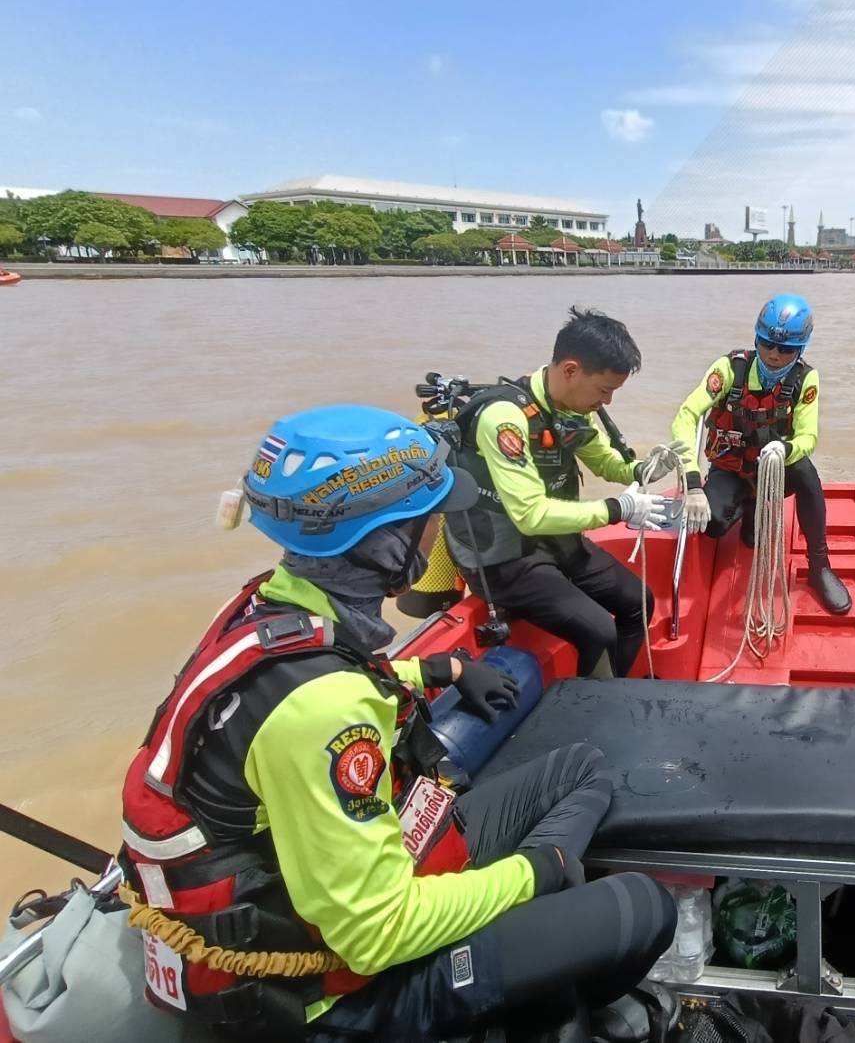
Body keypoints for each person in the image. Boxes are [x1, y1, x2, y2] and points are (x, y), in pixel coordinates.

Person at [119, 404, 674, 1040]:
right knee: (642, 907)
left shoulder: (265, 605)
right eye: (430, 516)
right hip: (338, 993)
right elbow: (376, 934)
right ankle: (536, 974)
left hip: (371, 879)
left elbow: (337, 676)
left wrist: (440, 669)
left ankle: (522, 930)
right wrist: (534, 873)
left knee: (581, 769)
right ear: (385, 541)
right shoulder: (326, 711)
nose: (441, 528)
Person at [443, 307, 686, 679]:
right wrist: (618, 508)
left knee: (638, 601)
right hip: (504, 558)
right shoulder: (505, 419)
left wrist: (643, 469)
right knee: (599, 631)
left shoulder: (572, 409)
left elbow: (604, 461)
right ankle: (592, 707)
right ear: (571, 370)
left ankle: (613, 688)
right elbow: (531, 515)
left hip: (555, 541)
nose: (607, 402)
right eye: (604, 390)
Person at [671, 292, 852, 614]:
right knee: (711, 524)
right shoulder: (729, 369)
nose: (774, 355)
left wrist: (785, 448)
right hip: (730, 467)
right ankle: (748, 507)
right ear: (756, 338)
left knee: (807, 474)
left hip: (773, 467)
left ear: (800, 350)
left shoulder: (805, 379)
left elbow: (808, 436)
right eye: (767, 344)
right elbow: (687, 415)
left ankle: (820, 566)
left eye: (786, 349)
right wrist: (693, 483)